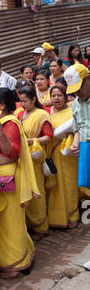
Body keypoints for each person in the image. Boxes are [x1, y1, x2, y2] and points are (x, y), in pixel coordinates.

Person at [0, 88, 40, 278]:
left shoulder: (11, 124)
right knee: (2, 223)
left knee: (12, 222)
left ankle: (20, 264)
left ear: (2, 104)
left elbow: (12, 153)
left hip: (7, 180)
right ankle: (9, 259)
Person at [17, 86, 53, 240]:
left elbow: (49, 136)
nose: (23, 104)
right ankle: (29, 224)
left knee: (37, 191)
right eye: (21, 101)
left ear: (33, 99)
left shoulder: (42, 115)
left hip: (35, 158)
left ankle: (41, 226)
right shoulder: (20, 114)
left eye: (25, 101)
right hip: (23, 158)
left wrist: (32, 141)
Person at [46, 85, 79, 229]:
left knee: (69, 185)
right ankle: (57, 217)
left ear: (65, 96)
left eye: (60, 95)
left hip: (68, 154)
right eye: (53, 96)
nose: (56, 98)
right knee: (55, 187)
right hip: (52, 154)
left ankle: (73, 215)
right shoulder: (46, 113)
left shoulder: (73, 110)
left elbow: (79, 128)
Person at [64, 64, 90, 196]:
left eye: (79, 88)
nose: (77, 93)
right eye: (74, 90)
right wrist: (75, 142)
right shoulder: (76, 104)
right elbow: (78, 127)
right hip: (86, 150)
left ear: (88, 78)